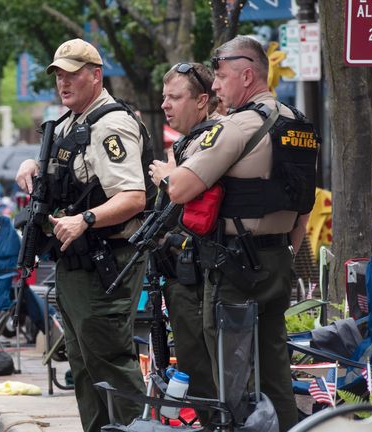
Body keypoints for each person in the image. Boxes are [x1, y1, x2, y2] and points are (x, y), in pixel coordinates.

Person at [166, 36, 317, 431]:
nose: (215, 86)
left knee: (232, 376)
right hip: (277, 261)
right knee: (274, 372)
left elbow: (181, 188)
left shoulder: (240, 126)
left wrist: (167, 173)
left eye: (220, 76)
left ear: (246, 75)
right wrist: (282, 253)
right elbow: (304, 207)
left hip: (235, 267)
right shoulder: (299, 125)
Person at [15, 38, 155, 432]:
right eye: (59, 74)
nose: (64, 82)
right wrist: (31, 164)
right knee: (84, 364)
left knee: (109, 360)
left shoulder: (111, 124)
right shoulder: (70, 123)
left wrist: (86, 220)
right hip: (76, 264)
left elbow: (133, 197)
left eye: (73, 74)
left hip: (105, 262)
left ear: (96, 75)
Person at [148, 63, 219, 413]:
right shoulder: (186, 145)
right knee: (191, 365)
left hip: (200, 276)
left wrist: (169, 177)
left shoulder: (213, 140)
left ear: (202, 100)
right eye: (164, 97)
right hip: (182, 274)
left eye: (175, 97)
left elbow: (197, 203)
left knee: (202, 370)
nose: (165, 104)